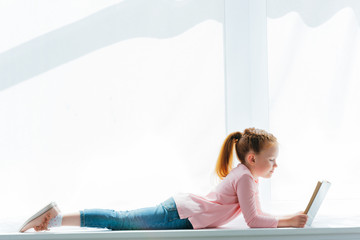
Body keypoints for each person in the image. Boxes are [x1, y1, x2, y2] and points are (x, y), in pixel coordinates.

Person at [19, 128, 308, 232]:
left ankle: (54, 220)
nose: (275, 165)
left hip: (182, 212)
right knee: (120, 220)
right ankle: (55, 219)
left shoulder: (246, 177)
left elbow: (254, 217)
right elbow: (254, 220)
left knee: (120, 221)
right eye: (271, 159)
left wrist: (288, 220)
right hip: (179, 214)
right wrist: (289, 220)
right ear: (253, 159)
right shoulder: (245, 178)